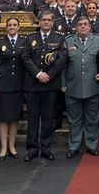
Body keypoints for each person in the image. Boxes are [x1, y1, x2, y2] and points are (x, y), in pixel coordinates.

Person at [22, 11, 66, 162]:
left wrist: (50, 75)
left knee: (48, 119)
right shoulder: (30, 38)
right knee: (33, 119)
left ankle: (46, 148)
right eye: (44, 20)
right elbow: (26, 58)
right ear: (39, 21)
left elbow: (61, 59)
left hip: (50, 85)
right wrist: (38, 74)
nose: (46, 22)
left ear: (53, 22)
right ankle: (32, 149)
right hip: (33, 84)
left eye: (49, 20)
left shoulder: (59, 38)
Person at [63, 18, 99, 158]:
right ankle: (74, 146)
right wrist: (62, 83)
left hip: (93, 86)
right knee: (74, 120)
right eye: (80, 25)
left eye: (85, 25)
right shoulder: (68, 41)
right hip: (72, 86)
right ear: (76, 27)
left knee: (92, 119)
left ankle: (91, 145)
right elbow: (62, 65)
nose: (83, 27)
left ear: (90, 27)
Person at [0, 17, 26, 161]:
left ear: (18, 27)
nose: (12, 27)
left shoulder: (24, 42)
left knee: (15, 118)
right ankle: (4, 148)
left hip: (18, 85)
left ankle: (12, 146)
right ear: (6, 27)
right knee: (3, 118)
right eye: (9, 25)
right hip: (2, 85)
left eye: (14, 25)